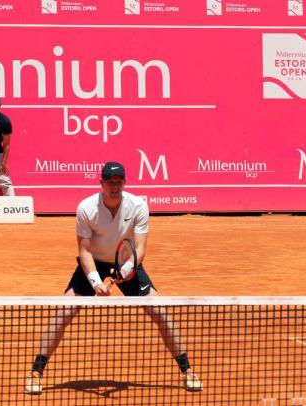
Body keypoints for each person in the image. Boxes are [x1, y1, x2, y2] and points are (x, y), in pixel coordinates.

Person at [24, 162, 202, 394]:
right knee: (64, 312)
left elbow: (140, 248)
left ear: (124, 183)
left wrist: (126, 269)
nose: (115, 187)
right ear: (102, 184)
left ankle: (187, 370)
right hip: (93, 264)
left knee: (160, 311)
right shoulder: (87, 208)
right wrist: (96, 282)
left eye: (119, 182)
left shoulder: (138, 206)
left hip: (129, 263)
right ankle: (36, 372)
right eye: (110, 183)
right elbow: (84, 251)